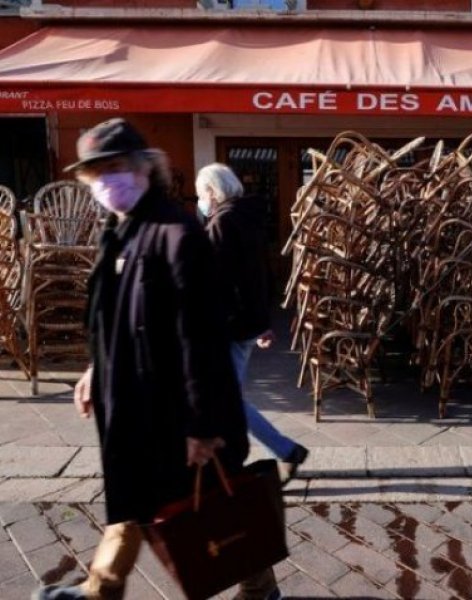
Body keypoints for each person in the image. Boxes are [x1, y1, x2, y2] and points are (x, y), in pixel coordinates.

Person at [33, 119, 281, 600]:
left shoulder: (177, 232)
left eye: (116, 167)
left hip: (177, 413)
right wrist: (94, 368)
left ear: (145, 169)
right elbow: (113, 320)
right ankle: (105, 590)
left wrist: (203, 425)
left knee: (193, 501)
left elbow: (201, 335)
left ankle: (103, 591)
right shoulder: (120, 232)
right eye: (96, 172)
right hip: (136, 406)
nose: (107, 179)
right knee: (145, 500)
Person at [195, 163, 308, 482]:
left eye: (201, 192)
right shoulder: (248, 220)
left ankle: (284, 451)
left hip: (229, 326)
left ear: (212, 192)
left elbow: (218, 282)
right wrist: (261, 321)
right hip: (244, 324)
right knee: (226, 398)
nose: (200, 200)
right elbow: (259, 276)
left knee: (225, 400)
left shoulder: (223, 223)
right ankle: (283, 451)